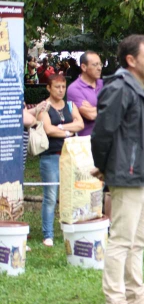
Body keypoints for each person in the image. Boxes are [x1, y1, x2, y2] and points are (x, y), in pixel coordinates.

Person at [91, 34, 144, 304]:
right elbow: (102, 134)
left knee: (138, 240)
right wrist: (106, 167)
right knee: (122, 240)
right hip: (129, 173)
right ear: (131, 60)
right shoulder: (120, 88)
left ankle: (137, 299)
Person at [37, 74, 84, 247]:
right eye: (57, 87)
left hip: (70, 156)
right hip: (50, 156)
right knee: (50, 196)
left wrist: (62, 127)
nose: (61, 90)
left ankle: (71, 228)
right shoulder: (44, 107)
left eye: (63, 87)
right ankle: (47, 234)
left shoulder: (70, 105)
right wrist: (67, 132)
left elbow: (79, 124)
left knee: (72, 193)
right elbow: (48, 129)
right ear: (48, 88)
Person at [67, 51, 104, 137]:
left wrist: (95, 108)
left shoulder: (104, 84)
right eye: (95, 65)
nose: (99, 68)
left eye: (100, 64)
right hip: (87, 141)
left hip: (110, 139)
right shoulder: (74, 89)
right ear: (84, 67)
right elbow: (90, 115)